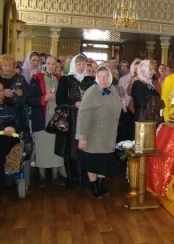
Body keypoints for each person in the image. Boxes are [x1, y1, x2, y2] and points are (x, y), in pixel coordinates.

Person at [76, 66, 121, 198]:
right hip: (94, 133)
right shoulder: (92, 91)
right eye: (100, 77)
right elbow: (83, 115)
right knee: (93, 161)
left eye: (105, 76)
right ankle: (94, 186)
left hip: (109, 134)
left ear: (109, 77)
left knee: (104, 161)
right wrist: (82, 137)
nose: (103, 79)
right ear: (96, 77)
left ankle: (101, 184)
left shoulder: (113, 90)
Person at [55, 54, 94, 190]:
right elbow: (60, 99)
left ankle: (80, 178)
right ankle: (71, 179)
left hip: (85, 118)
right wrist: (74, 103)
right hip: (71, 118)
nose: (81, 66)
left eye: (83, 64)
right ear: (73, 65)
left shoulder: (89, 80)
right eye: (78, 64)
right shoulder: (65, 79)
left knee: (83, 149)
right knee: (69, 149)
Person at [26, 55, 64, 187]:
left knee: (56, 148)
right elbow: (29, 99)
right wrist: (45, 98)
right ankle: (42, 177)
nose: (51, 66)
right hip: (42, 119)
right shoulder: (36, 78)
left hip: (57, 120)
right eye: (49, 63)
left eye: (54, 64)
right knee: (42, 148)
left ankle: (55, 176)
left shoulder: (59, 79)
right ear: (44, 64)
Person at [0, 82, 20, 204]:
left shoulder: (10, 107)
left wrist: (13, 128)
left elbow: (18, 124)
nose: (0, 93)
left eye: (1, 90)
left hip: (8, 138)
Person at [0, 54, 29, 131]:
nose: (9, 68)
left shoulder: (20, 78)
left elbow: (28, 95)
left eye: (11, 65)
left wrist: (22, 94)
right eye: (5, 65)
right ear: (1, 66)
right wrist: (2, 92)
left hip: (17, 110)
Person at [131, 60, 161, 125]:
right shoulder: (138, 83)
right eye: (151, 69)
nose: (153, 71)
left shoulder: (149, 84)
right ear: (144, 69)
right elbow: (141, 103)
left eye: (154, 69)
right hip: (141, 121)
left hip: (150, 119)